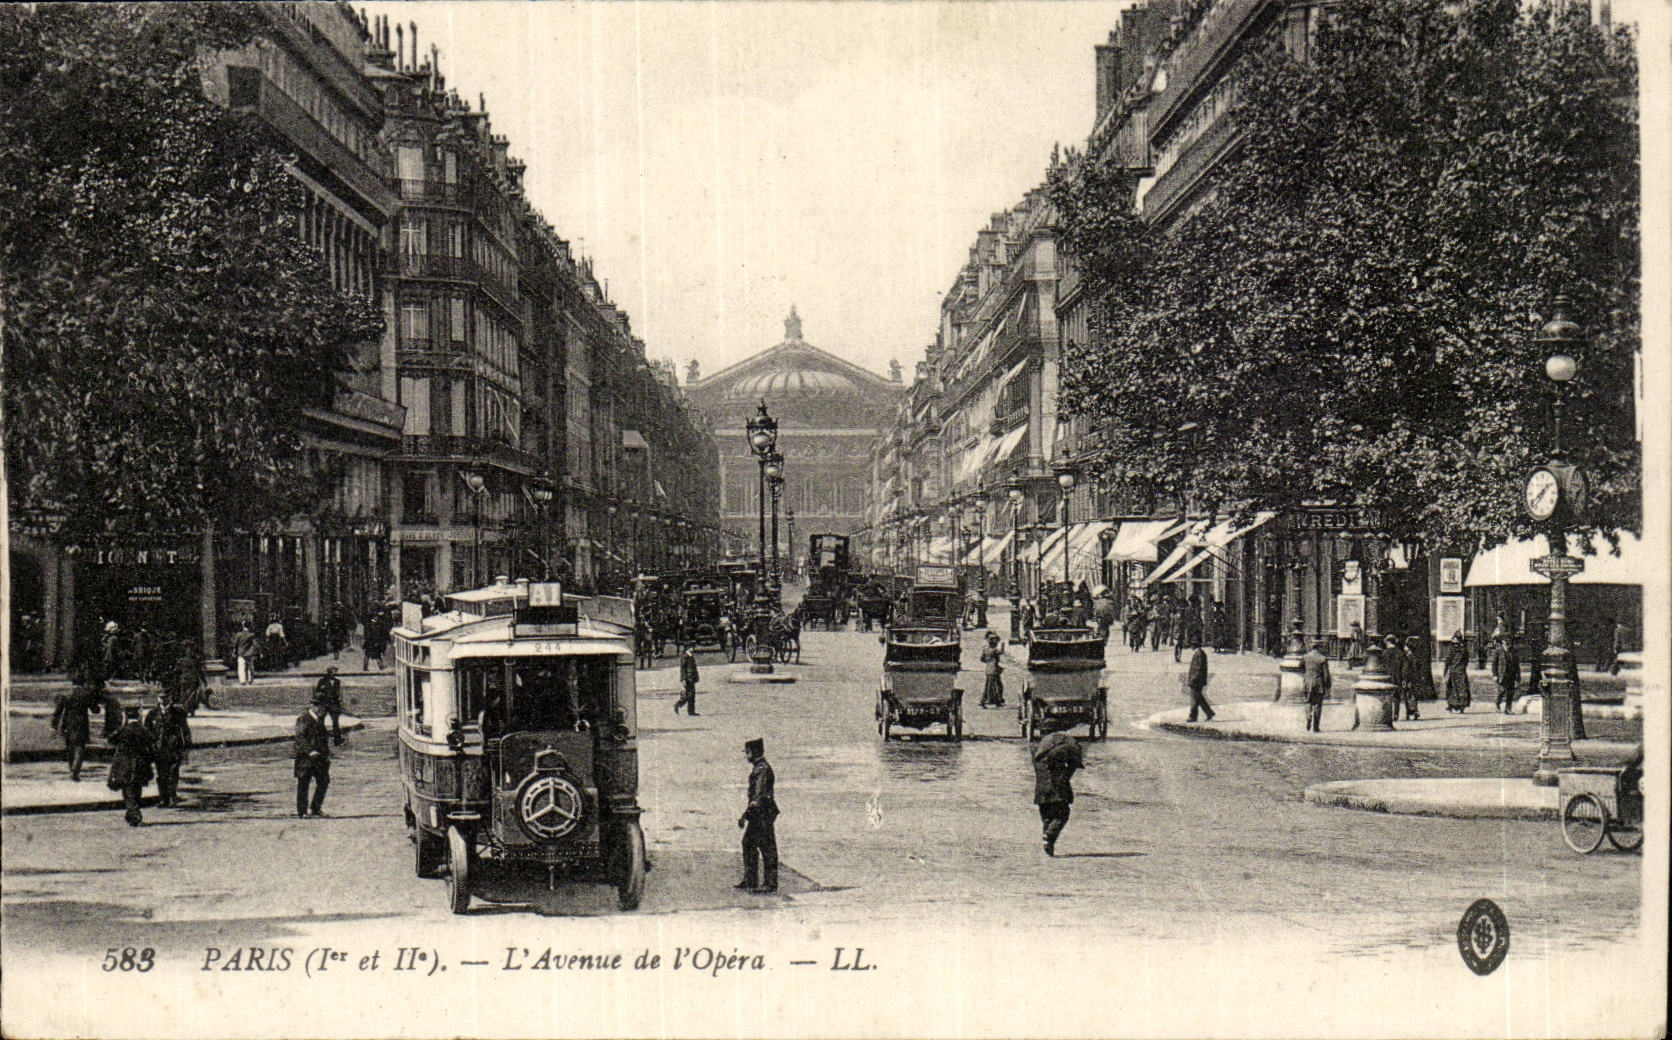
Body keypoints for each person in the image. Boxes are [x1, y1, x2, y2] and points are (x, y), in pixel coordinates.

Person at [1032, 719, 1085, 857]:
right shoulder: (1064, 741)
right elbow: (1074, 762)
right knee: (1063, 813)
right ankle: (1049, 836)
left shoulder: (1039, 747)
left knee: (1047, 816)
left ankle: (1048, 842)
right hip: (1057, 785)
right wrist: (1066, 777)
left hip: (1041, 788)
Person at [737, 738, 779, 893]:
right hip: (760, 813)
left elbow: (758, 796)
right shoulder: (760, 767)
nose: (746, 755)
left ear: (754, 753)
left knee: (766, 847)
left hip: (761, 813)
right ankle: (752, 880)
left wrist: (745, 816)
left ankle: (769, 883)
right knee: (750, 844)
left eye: (747, 752)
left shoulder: (761, 770)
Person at [107, 705, 154, 827]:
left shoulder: (123, 730)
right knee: (137, 791)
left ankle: (135, 815)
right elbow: (152, 739)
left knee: (128, 792)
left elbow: (111, 739)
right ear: (138, 717)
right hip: (140, 765)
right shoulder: (143, 730)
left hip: (125, 765)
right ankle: (131, 815)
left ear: (126, 717)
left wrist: (122, 725)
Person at [144, 693, 192, 807]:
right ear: (157, 699)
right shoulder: (152, 714)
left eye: (166, 697)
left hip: (173, 748)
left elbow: (185, 730)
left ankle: (171, 797)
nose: (163, 700)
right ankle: (163, 798)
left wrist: (186, 747)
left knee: (173, 772)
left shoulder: (178, 713)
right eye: (161, 697)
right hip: (159, 749)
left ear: (169, 698)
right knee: (161, 774)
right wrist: (148, 746)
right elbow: (147, 731)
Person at [294, 693, 333, 819]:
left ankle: (316, 808)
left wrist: (326, 755)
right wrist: (310, 751)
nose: (325, 711)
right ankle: (302, 811)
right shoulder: (304, 718)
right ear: (315, 706)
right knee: (304, 783)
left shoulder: (319, 719)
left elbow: (323, 739)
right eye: (323, 708)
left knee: (324, 781)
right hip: (305, 758)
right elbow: (300, 738)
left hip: (320, 758)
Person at [50, 679, 97, 781]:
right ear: (83, 683)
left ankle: (72, 768)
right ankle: (75, 771)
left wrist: (54, 726)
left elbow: (58, 712)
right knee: (80, 747)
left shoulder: (65, 695)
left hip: (67, 724)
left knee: (70, 747)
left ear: (72, 683)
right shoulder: (86, 694)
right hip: (81, 724)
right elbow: (95, 710)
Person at [1384, 632, 1417, 721]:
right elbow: (1405, 667)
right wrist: (1404, 678)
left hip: (1386, 678)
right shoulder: (1400, 653)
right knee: (1396, 697)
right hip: (1398, 678)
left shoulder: (1384, 653)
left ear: (1388, 643)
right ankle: (1396, 715)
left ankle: (1387, 715)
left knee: (1387, 697)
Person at [1302, 638, 1332, 732]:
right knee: (1317, 705)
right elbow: (1326, 675)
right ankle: (1315, 727)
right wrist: (1328, 686)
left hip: (1308, 682)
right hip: (1319, 683)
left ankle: (1308, 716)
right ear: (1319, 647)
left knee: (1308, 701)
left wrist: (1306, 675)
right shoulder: (1323, 658)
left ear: (1312, 646)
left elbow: (1300, 667)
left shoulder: (1305, 657)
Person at [314, 666, 346, 745]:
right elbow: (317, 692)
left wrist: (340, 702)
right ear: (329, 672)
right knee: (321, 721)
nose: (335, 673)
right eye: (333, 671)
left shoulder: (337, 681)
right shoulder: (322, 681)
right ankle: (320, 739)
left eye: (335, 672)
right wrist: (321, 695)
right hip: (324, 703)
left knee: (335, 722)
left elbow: (339, 693)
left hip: (334, 703)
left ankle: (337, 739)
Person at [1186, 637, 1215, 722]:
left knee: (1194, 699)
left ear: (1195, 645)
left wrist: (1194, 679)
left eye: (1192, 645)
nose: (1191, 646)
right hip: (1197, 680)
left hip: (1197, 680)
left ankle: (1193, 716)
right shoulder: (1199, 653)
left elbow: (1199, 668)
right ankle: (1209, 713)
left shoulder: (1199, 654)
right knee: (1199, 698)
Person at [1442, 630, 1472, 713]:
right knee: (1461, 688)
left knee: (1452, 688)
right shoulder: (1464, 648)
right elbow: (1466, 660)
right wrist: (1463, 667)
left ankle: (1452, 705)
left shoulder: (1451, 648)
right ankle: (1461, 706)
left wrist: (1445, 671)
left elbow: (1447, 660)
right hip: (1461, 670)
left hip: (1453, 670)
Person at [1491, 634, 1520, 713]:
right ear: (1502, 642)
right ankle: (1497, 705)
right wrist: (1495, 675)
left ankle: (1508, 708)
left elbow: (1517, 665)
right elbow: (1494, 664)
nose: (1507, 645)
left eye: (1509, 643)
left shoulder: (1513, 651)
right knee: (1501, 691)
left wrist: (1518, 678)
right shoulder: (1498, 651)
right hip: (1502, 674)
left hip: (1511, 674)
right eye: (1505, 643)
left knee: (1510, 692)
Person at [979, 632, 1006, 708]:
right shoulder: (994, 650)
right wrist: (1003, 645)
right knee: (997, 686)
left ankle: (993, 700)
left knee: (989, 685)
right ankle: (992, 700)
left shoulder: (985, 650)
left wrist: (988, 662)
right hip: (994, 670)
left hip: (988, 669)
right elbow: (1001, 652)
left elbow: (981, 659)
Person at [675, 646, 700, 716]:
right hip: (687, 679)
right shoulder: (685, 657)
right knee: (689, 695)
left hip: (691, 678)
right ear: (687, 648)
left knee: (692, 695)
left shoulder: (690, 656)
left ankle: (691, 711)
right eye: (691, 647)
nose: (693, 648)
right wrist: (683, 679)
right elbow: (682, 669)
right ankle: (679, 704)